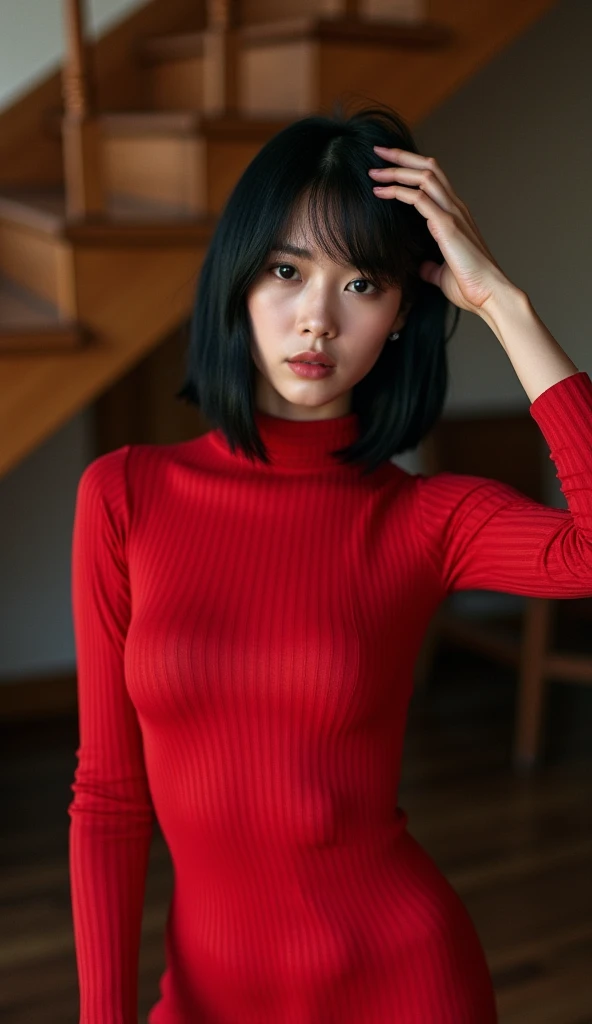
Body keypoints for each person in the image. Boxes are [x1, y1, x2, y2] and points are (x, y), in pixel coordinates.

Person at [68, 103, 592, 1023]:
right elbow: (109, 797)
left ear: (400, 315)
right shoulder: (123, 496)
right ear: (239, 280)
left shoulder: (423, 519)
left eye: (362, 285)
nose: (316, 320)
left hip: (401, 982)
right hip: (205, 999)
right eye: (286, 270)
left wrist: (502, 304)